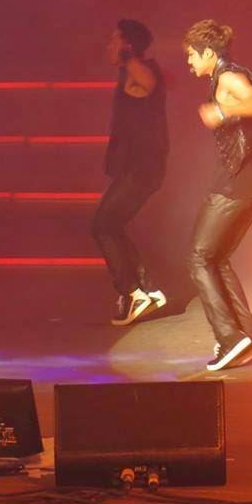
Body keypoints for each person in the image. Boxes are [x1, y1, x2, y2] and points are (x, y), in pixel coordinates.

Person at [182, 19, 252, 371]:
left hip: (235, 183)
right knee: (217, 257)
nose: (189, 62)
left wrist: (223, 109)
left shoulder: (229, 78)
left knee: (198, 258)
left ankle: (230, 339)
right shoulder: (243, 74)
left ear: (208, 53)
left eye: (191, 55)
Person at [92, 19, 169, 326]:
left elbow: (148, 84)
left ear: (127, 45)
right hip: (134, 167)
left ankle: (133, 293)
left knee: (103, 225)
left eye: (114, 40)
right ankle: (146, 290)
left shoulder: (142, 69)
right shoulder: (130, 73)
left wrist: (128, 57)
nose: (107, 46)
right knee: (111, 224)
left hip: (142, 167)